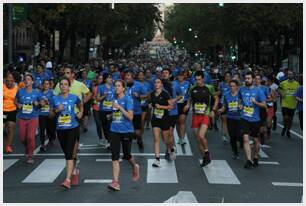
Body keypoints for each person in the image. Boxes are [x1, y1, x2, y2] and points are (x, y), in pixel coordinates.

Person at [50, 77, 83, 189]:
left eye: (65, 84)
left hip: (72, 128)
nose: (63, 86)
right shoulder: (54, 99)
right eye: (62, 84)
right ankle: (74, 170)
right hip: (60, 130)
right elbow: (50, 115)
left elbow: (81, 104)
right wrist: (56, 110)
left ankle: (67, 180)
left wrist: (80, 113)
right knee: (67, 153)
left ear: (69, 87)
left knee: (69, 153)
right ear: (59, 86)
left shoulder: (74, 97)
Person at [108, 80, 140, 191]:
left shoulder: (128, 99)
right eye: (115, 86)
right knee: (114, 157)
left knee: (127, 155)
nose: (116, 88)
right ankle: (116, 182)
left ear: (123, 88)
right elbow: (116, 113)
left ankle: (135, 166)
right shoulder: (114, 99)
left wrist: (120, 107)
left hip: (126, 131)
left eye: (119, 86)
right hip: (114, 130)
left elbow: (130, 117)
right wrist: (111, 116)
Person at [184, 71, 219, 167]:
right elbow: (190, 98)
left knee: (201, 135)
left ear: (203, 79)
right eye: (196, 80)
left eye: (199, 79)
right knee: (198, 139)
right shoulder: (192, 88)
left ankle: (207, 152)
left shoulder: (209, 88)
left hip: (205, 115)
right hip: (195, 115)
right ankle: (205, 157)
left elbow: (216, 98)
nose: (197, 81)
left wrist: (213, 110)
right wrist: (187, 105)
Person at [238, 71, 266, 169]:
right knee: (245, 138)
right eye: (246, 78)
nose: (247, 80)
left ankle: (256, 156)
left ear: (253, 79)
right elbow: (240, 100)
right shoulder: (242, 89)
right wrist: (240, 105)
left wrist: (256, 102)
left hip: (255, 120)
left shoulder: (258, 91)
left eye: (249, 78)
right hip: (244, 118)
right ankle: (249, 160)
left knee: (255, 141)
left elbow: (264, 105)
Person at [15, 74, 40, 164]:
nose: (26, 81)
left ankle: (30, 156)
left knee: (30, 137)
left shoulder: (36, 92)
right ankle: (27, 148)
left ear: (32, 82)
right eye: (25, 80)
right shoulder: (20, 91)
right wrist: (17, 104)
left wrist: (38, 103)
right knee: (22, 138)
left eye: (28, 79)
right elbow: (16, 100)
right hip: (22, 117)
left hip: (33, 117)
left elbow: (42, 102)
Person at [149, 78, 173, 167]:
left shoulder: (165, 94)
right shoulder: (152, 94)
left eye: (158, 82)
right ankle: (157, 159)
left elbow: (171, 106)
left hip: (165, 119)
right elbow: (151, 103)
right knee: (156, 139)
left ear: (161, 84)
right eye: (155, 82)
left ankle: (171, 148)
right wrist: (150, 105)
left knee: (166, 140)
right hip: (155, 119)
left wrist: (161, 107)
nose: (156, 84)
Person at [125, 70, 148, 153]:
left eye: (128, 75)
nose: (126, 77)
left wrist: (139, 96)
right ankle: (128, 151)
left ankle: (139, 141)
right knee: (128, 132)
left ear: (132, 77)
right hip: (126, 113)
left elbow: (148, 95)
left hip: (136, 112)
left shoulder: (139, 85)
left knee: (137, 133)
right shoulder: (123, 85)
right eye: (126, 75)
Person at [218, 79, 241, 159]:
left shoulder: (240, 95)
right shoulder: (226, 95)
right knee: (232, 136)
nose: (232, 88)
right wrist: (220, 110)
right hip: (230, 118)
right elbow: (225, 106)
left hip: (239, 118)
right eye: (230, 86)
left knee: (239, 136)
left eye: (233, 86)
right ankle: (235, 153)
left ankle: (242, 143)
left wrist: (241, 107)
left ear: (237, 87)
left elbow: (245, 105)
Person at [162, 68, 179, 160]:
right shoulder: (159, 84)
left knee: (170, 133)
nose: (164, 74)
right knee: (164, 135)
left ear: (170, 75)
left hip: (172, 112)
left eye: (166, 73)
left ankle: (168, 151)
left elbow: (181, 95)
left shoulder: (175, 84)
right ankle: (170, 147)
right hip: (162, 113)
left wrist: (174, 100)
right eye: (163, 73)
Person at [278, 70, 300, 138]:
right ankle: (284, 127)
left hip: (293, 104)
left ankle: (288, 130)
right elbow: (279, 89)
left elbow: (300, 92)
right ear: (287, 75)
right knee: (285, 117)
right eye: (289, 74)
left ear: (293, 75)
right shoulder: (283, 83)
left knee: (290, 119)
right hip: (285, 103)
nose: (290, 75)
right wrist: (282, 94)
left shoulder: (297, 84)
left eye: (291, 74)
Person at [96, 73, 115, 148]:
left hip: (112, 110)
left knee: (111, 125)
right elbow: (97, 99)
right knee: (105, 126)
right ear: (105, 79)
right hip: (103, 110)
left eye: (111, 77)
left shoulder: (114, 87)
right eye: (109, 77)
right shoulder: (100, 87)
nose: (110, 79)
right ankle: (108, 140)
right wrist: (104, 95)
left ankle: (112, 140)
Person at [38, 79, 55, 151]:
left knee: (50, 129)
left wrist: (48, 102)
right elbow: (37, 104)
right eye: (44, 84)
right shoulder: (39, 94)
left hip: (49, 114)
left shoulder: (52, 93)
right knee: (42, 130)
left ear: (50, 85)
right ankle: (42, 144)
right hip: (41, 114)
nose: (46, 85)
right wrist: (39, 103)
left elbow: (54, 102)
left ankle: (51, 139)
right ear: (42, 85)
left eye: (47, 84)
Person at [3, 71, 18, 153]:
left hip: (12, 110)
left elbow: (19, 98)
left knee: (10, 129)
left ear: (13, 80)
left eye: (11, 80)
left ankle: (8, 146)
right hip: (2, 111)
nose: (9, 81)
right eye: (8, 80)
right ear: (5, 80)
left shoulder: (17, 88)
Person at [175, 70, 190, 145]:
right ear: (177, 76)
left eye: (182, 75)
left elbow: (189, 95)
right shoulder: (174, 84)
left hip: (184, 103)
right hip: (176, 104)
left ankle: (183, 138)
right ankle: (179, 137)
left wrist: (188, 104)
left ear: (184, 76)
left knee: (182, 120)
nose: (180, 77)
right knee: (177, 122)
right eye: (179, 76)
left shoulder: (188, 83)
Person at [137, 70, 151, 142]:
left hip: (144, 105)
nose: (140, 76)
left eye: (142, 75)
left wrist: (140, 96)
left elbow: (149, 95)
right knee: (136, 121)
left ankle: (140, 136)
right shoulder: (135, 84)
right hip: (136, 106)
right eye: (139, 75)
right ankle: (137, 134)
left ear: (144, 76)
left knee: (142, 121)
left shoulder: (147, 84)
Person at [218, 71, 231, 143]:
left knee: (230, 120)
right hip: (222, 103)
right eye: (226, 76)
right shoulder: (221, 84)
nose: (227, 78)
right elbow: (219, 92)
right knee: (224, 119)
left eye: (229, 76)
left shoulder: (232, 84)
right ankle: (224, 135)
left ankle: (232, 135)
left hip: (231, 104)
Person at [92, 74, 104, 145]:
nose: (100, 80)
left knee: (104, 124)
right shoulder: (94, 88)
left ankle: (108, 139)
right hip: (96, 108)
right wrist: (93, 99)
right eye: (99, 78)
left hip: (104, 109)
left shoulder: (106, 87)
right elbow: (92, 96)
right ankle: (100, 139)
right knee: (98, 124)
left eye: (102, 78)